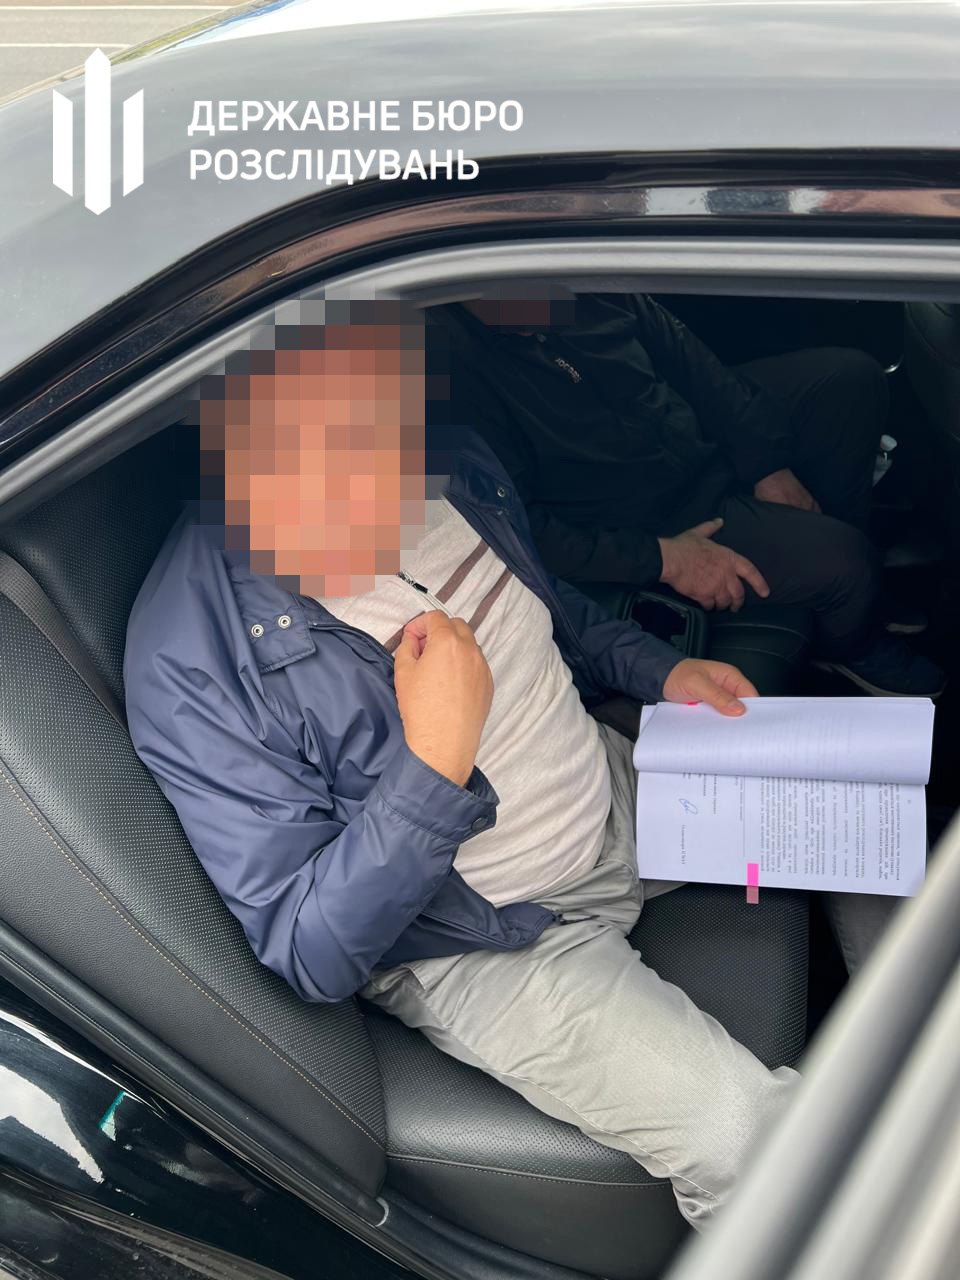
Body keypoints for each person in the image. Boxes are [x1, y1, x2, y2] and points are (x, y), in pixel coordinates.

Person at [124, 311, 893, 1230]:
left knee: (893, 814)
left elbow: (546, 601)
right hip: (484, 939)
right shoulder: (192, 658)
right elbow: (309, 947)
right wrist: (434, 763)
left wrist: (660, 671)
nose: (387, 494)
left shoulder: (449, 460)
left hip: (613, 788)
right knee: (763, 1153)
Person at [437, 293, 945, 698]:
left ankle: (846, 594)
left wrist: (765, 463)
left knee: (850, 380)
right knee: (846, 563)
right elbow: (523, 533)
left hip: (685, 435)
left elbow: (695, 369)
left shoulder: (587, 287)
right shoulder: (454, 373)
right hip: (652, 519)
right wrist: (663, 558)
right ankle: (850, 640)